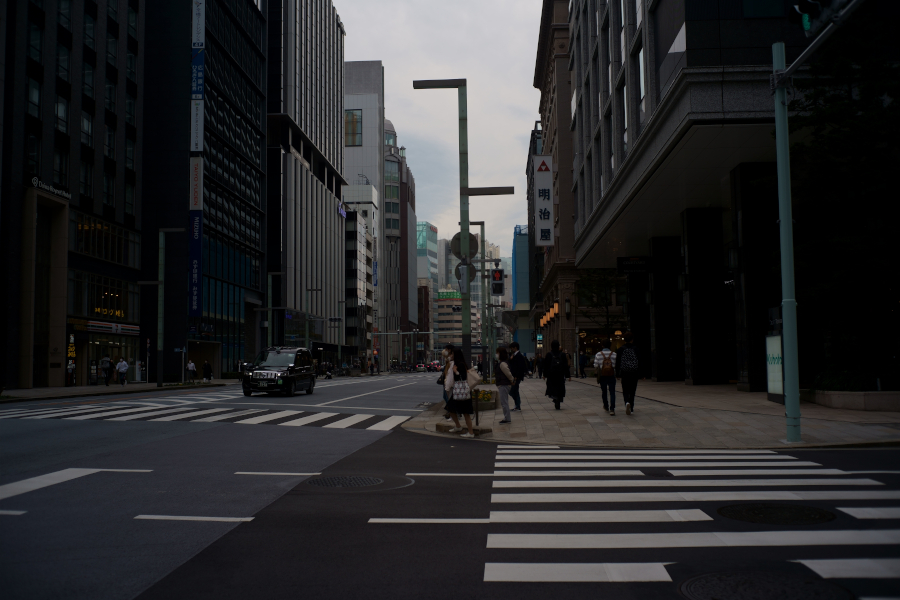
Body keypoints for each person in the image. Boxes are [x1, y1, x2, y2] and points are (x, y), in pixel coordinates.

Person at [444, 347, 475, 437]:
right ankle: (458, 426)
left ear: (456, 355)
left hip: (462, 391)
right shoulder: (456, 364)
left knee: (466, 413)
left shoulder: (460, 364)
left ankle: (470, 432)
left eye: (452, 354)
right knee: (450, 408)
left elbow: (463, 377)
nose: (451, 356)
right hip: (458, 392)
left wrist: (456, 371)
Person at [616, 332, 641, 415]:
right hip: (634, 372)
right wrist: (642, 373)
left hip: (624, 372)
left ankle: (626, 402)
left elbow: (618, 362)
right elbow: (640, 361)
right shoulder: (636, 349)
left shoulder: (620, 349)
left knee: (625, 389)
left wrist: (617, 374)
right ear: (632, 339)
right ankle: (632, 408)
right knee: (633, 390)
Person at [542, 340, 570, 410]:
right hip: (560, 375)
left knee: (552, 387)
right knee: (560, 387)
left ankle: (555, 398)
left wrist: (544, 374)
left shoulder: (549, 354)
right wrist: (568, 375)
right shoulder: (562, 355)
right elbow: (565, 366)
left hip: (551, 375)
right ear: (558, 346)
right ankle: (559, 399)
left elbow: (546, 365)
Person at [593, 340, 618, 415]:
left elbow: (595, 365)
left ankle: (606, 406)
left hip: (602, 375)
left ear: (603, 345)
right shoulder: (614, 354)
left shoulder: (598, 354)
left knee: (604, 392)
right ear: (610, 346)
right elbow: (616, 365)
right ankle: (612, 409)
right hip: (611, 375)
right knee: (612, 392)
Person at [496, 347, 515, 424]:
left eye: (497, 353)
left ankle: (507, 418)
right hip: (503, 384)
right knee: (504, 402)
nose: (496, 354)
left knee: (504, 402)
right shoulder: (502, 363)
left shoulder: (503, 364)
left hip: (504, 385)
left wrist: (512, 380)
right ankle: (507, 417)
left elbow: (508, 373)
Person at [508, 342, 528, 412]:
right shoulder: (513, 356)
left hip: (517, 377)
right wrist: (510, 359)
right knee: (514, 391)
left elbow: (520, 367)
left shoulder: (519, 356)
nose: (511, 349)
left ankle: (517, 405)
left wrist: (516, 376)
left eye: (512, 348)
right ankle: (517, 405)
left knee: (513, 391)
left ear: (515, 348)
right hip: (514, 376)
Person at [439, 344, 455, 420]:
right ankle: (450, 412)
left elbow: (449, 370)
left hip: (450, 381)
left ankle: (451, 412)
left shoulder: (452, 359)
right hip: (447, 381)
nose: (445, 351)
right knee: (446, 396)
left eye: (446, 349)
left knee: (448, 397)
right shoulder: (448, 359)